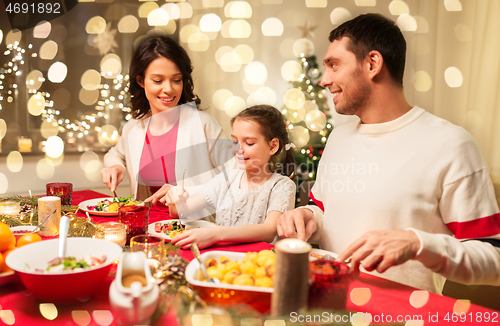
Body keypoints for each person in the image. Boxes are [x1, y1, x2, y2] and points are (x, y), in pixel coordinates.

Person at [276, 13, 500, 293]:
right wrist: (309, 217)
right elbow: (327, 214)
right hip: (330, 312)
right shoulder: (338, 137)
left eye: (333, 65)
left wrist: (418, 243)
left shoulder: (451, 144)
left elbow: (494, 258)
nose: (324, 79)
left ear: (372, 64)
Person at [101, 36, 234, 218]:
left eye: (176, 80)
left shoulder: (204, 124)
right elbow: (114, 155)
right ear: (141, 81)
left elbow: (237, 177)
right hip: (148, 229)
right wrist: (115, 166)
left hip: (195, 229)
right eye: (158, 81)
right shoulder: (134, 127)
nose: (169, 89)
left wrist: (186, 191)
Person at [165, 105, 297, 249]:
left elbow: (269, 230)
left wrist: (215, 234)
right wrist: (176, 201)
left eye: (249, 143)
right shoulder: (226, 179)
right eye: (235, 141)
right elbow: (182, 211)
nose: (239, 150)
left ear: (273, 146)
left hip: (257, 264)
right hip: (224, 260)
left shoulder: (282, 186)